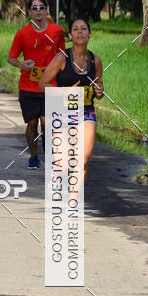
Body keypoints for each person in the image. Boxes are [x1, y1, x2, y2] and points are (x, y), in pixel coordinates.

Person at [40, 17, 103, 180]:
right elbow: (43, 84)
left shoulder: (95, 60)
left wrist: (99, 91)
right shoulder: (61, 58)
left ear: (90, 34)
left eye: (83, 29)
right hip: (61, 111)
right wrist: (65, 92)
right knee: (62, 164)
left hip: (86, 111)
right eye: (75, 29)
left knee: (83, 160)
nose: (80, 32)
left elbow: (99, 91)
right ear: (70, 35)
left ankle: (72, 203)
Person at [8, 0, 65, 169]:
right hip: (28, 85)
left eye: (41, 7)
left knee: (46, 122)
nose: (38, 10)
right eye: (35, 8)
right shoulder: (22, 33)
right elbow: (11, 57)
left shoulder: (57, 31)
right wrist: (22, 64)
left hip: (50, 85)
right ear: (30, 12)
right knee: (32, 123)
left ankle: (48, 148)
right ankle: (33, 156)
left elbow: (63, 55)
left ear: (46, 11)